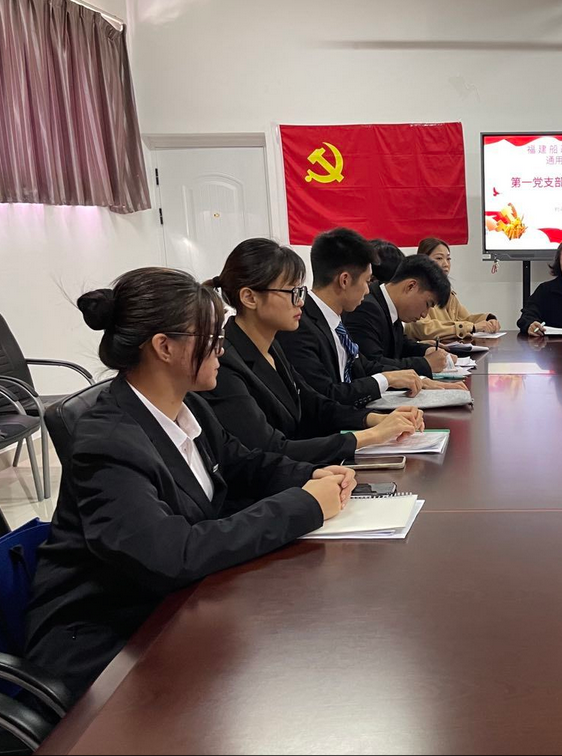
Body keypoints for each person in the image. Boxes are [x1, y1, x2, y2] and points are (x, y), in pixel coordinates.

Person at [24, 268, 355, 700]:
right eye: (212, 338)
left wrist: (312, 477)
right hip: (107, 642)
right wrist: (304, 506)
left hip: (172, 607)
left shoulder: (188, 406)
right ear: (164, 347)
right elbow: (171, 553)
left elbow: (244, 463)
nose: (222, 349)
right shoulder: (107, 442)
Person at [203, 238, 423, 465]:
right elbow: (270, 448)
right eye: (292, 292)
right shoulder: (224, 363)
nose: (301, 302)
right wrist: (370, 436)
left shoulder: (272, 346)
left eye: (301, 291)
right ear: (249, 297)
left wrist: (374, 419)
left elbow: (315, 404)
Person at [276, 228, 457, 408]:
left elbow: (363, 366)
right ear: (345, 280)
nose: (368, 290)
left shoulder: (333, 319)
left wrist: (415, 378)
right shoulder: (300, 326)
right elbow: (326, 396)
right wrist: (384, 386)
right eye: (367, 281)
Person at [342, 254, 453, 375]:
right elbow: (371, 365)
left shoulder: (389, 306)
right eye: (427, 304)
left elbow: (400, 345)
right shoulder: (366, 308)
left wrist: (426, 351)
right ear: (411, 286)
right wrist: (426, 364)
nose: (424, 314)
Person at [406, 237, 500, 341]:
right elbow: (426, 330)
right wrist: (472, 327)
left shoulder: (448, 294)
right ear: (423, 261)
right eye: (439, 258)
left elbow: (465, 319)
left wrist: (487, 321)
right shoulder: (416, 290)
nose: (446, 264)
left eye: (448, 259)